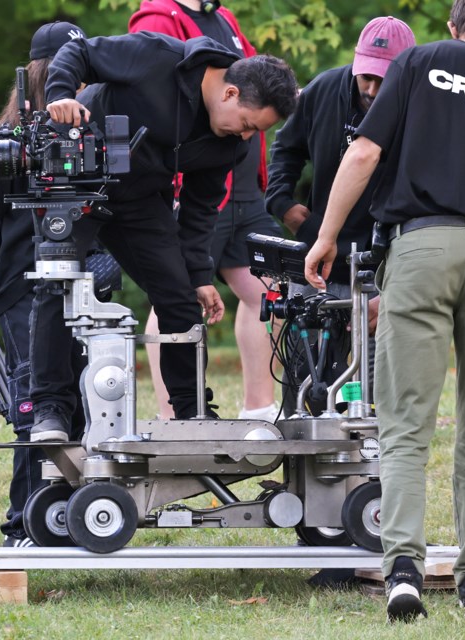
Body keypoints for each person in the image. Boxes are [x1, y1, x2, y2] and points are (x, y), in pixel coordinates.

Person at [303, 0, 465, 621]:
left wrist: (326, 234)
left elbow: (363, 154)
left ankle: (402, 572)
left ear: (455, 25)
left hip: (421, 246)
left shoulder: (419, 61)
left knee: (406, 423)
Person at [30, 31, 298, 441]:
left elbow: (200, 210)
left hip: (139, 200)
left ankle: (192, 414)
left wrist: (198, 276)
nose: (245, 138)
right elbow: (81, 49)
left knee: (178, 299)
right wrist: (62, 94)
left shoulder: (230, 143)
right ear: (229, 93)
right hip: (79, 177)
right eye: (246, 125)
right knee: (57, 283)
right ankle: (48, 409)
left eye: (254, 132)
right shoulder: (157, 56)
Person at [0, 21, 90, 546]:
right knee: (35, 407)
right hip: (20, 285)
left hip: (83, 283)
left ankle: (66, 519)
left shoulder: (92, 132)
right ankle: (25, 524)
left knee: (78, 402)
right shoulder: (7, 144)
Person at [129, 0, 282, 422]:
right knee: (173, 297)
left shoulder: (225, 18)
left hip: (246, 194)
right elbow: (168, 98)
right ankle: (173, 413)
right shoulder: (161, 15)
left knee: (271, 291)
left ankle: (260, 409)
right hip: (197, 194)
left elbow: (259, 85)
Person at [266, 16, 415, 415]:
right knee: (302, 357)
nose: (372, 89)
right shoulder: (324, 89)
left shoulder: (419, 103)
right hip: (319, 242)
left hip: (384, 252)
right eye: (366, 76)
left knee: (371, 367)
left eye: (384, 80)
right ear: (355, 61)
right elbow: (285, 148)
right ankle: (297, 452)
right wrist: (281, 202)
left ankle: (366, 458)